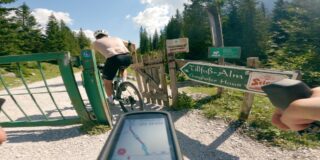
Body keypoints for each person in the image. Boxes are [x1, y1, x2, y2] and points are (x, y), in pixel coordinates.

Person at [91, 30, 133, 104]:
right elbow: (133, 44)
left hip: (114, 59)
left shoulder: (95, 43)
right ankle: (124, 81)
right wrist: (133, 53)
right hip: (127, 57)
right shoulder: (117, 38)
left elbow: (91, 55)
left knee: (107, 81)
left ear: (96, 37)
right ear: (106, 35)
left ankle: (111, 101)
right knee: (123, 68)